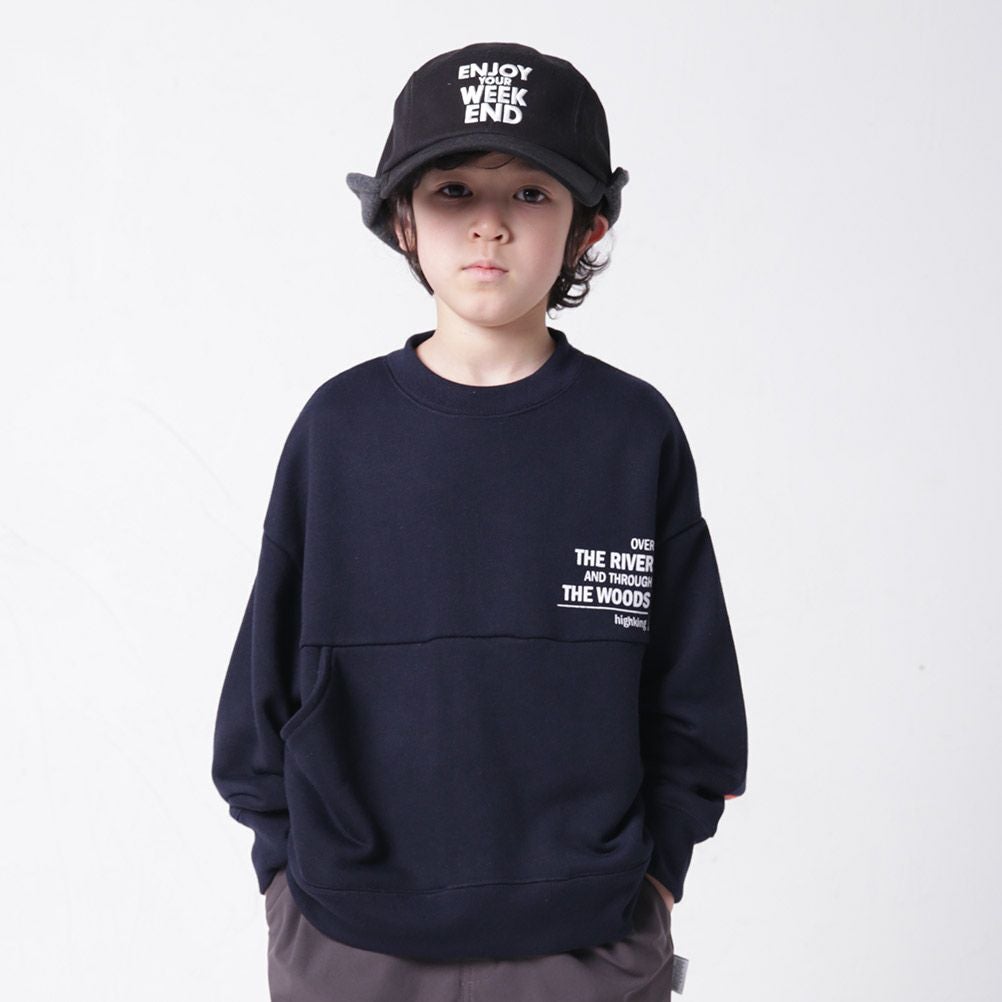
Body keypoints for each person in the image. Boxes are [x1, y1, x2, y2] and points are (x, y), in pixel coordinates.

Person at [212, 40, 747, 1002]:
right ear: (403, 221)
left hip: (586, 940)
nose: (489, 225)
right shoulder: (339, 429)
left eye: (530, 193)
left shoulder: (633, 433)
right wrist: (285, 884)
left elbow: (694, 698)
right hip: (348, 938)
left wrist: (654, 882)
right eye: (453, 190)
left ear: (588, 225)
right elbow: (261, 693)